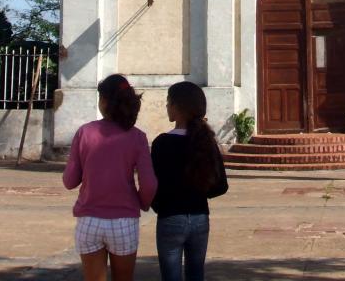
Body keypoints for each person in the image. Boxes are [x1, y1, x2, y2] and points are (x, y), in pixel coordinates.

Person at [63, 74, 157, 281]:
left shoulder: (85, 132)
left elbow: (69, 181)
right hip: (124, 220)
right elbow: (149, 184)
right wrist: (142, 203)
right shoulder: (137, 137)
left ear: (104, 101)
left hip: (89, 220)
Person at [151, 81, 228, 281]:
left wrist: (158, 205)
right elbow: (221, 185)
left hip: (170, 217)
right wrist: (199, 192)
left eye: (168, 102)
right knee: (196, 274)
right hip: (199, 216)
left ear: (177, 107)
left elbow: (152, 184)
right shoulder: (206, 141)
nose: (166, 106)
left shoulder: (162, 143)